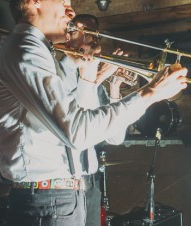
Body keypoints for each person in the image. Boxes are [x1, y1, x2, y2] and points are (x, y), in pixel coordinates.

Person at [0, 0, 187, 226]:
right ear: (34, 0)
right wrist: (150, 93)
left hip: (63, 194)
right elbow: (78, 132)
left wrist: (89, 78)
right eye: (62, 2)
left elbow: (84, 129)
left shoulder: (40, 51)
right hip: (47, 198)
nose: (71, 12)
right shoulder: (24, 47)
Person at [70, 13, 128, 226]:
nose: (89, 41)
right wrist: (98, 78)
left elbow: (116, 138)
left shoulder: (98, 87)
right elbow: (77, 125)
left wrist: (114, 88)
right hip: (67, 180)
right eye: (81, 32)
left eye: (93, 36)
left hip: (91, 180)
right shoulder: (64, 76)